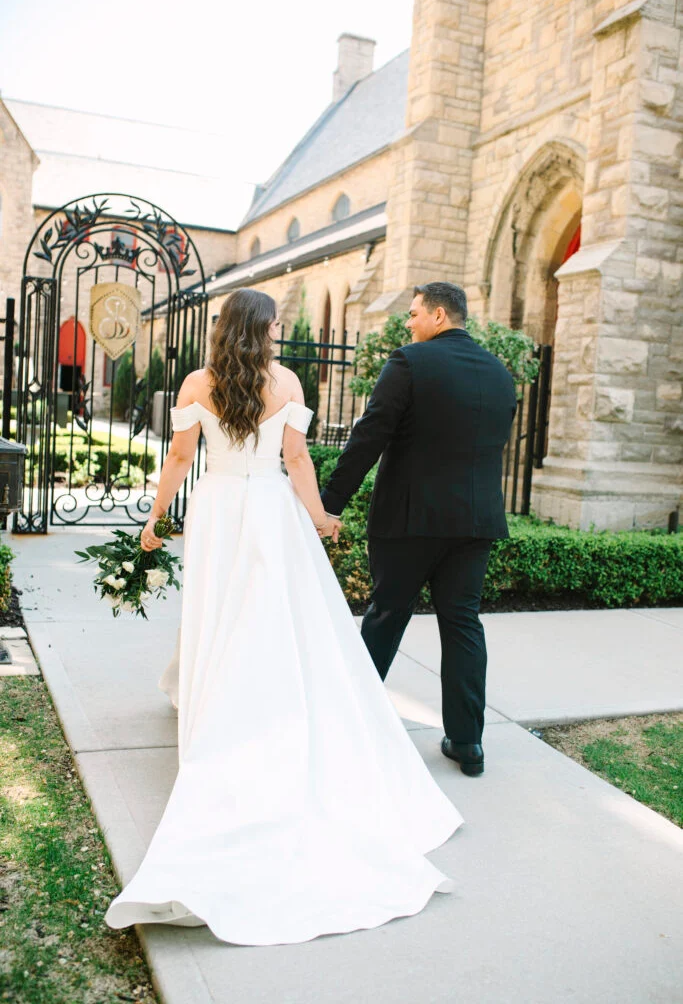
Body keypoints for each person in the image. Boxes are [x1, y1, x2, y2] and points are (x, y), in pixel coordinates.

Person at [104, 287, 463, 947]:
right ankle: (266, 697)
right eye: (276, 323)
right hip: (269, 507)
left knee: (221, 609)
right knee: (276, 615)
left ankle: (218, 699)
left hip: (217, 506)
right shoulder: (287, 380)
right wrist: (319, 515)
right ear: (265, 327)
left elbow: (181, 458)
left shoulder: (197, 382)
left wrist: (155, 516)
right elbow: (295, 458)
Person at [321, 282, 517, 777]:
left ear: (437, 314)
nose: (407, 323)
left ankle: (352, 726)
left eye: (412, 314)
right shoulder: (500, 373)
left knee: (386, 616)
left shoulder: (410, 362)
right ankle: (468, 744)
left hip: (410, 520)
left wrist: (328, 504)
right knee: (463, 623)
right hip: (475, 523)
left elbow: (370, 435)